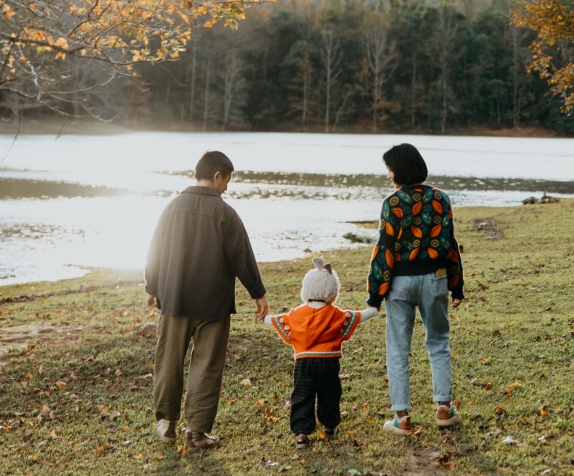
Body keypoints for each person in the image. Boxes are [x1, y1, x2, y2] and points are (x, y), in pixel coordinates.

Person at [144, 150, 268, 449]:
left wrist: (152, 286)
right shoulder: (226, 213)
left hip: (174, 299)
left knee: (169, 360)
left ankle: (167, 425)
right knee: (207, 365)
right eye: (227, 181)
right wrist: (258, 293)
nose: (226, 187)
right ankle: (197, 433)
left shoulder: (172, 207)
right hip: (213, 304)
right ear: (216, 175)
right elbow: (242, 257)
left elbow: (155, 249)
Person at [366, 143, 464, 436]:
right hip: (435, 279)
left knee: (398, 348)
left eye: (389, 169)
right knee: (438, 341)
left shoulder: (392, 203)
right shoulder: (441, 198)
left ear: (399, 169)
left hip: (400, 282)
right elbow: (449, 244)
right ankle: (444, 408)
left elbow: (385, 249)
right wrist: (456, 286)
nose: (388, 175)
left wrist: (375, 295)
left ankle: (402, 417)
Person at [265, 256, 378, 447]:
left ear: (306, 291)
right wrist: (373, 309)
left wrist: (264, 317)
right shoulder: (336, 314)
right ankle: (329, 425)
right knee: (330, 393)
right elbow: (358, 316)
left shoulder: (296, 314)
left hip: (303, 362)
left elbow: (277, 320)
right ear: (332, 293)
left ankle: (301, 433)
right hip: (328, 362)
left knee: (302, 395)